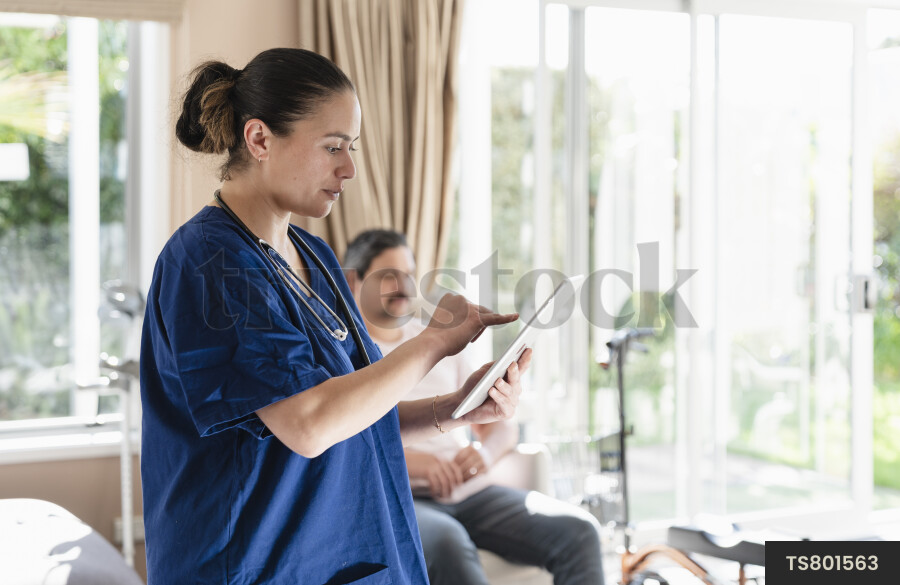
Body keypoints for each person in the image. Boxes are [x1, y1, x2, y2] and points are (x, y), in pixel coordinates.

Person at [140, 48, 531, 585]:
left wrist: (456, 410)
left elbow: (356, 410)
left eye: (352, 148)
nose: (349, 168)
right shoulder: (210, 262)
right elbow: (307, 423)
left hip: (340, 553)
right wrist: (434, 343)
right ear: (259, 140)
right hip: (255, 563)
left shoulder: (316, 257)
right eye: (332, 148)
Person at [344, 229, 606, 585]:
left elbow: (498, 425)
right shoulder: (345, 355)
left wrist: (483, 453)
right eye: (389, 277)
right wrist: (420, 465)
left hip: (470, 494)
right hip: (401, 499)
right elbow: (347, 438)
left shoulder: (436, 342)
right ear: (354, 281)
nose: (404, 287)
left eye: (409, 275)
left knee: (579, 531)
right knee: (448, 543)